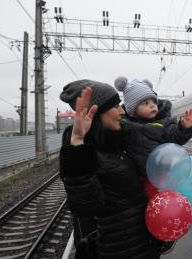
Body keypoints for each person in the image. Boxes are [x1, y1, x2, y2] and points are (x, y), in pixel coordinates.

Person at [59, 79, 161, 259]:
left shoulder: (118, 144)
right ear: (97, 112)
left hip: (145, 246)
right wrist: (77, 141)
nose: (122, 111)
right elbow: (86, 205)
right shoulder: (86, 155)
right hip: (118, 251)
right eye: (115, 106)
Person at [114, 76, 192, 254]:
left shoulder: (165, 124)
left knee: (160, 204)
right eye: (145, 103)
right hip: (138, 175)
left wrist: (184, 128)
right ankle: (156, 234)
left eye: (153, 101)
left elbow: (176, 137)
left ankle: (164, 236)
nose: (153, 105)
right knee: (142, 208)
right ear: (132, 109)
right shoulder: (126, 126)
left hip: (160, 177)